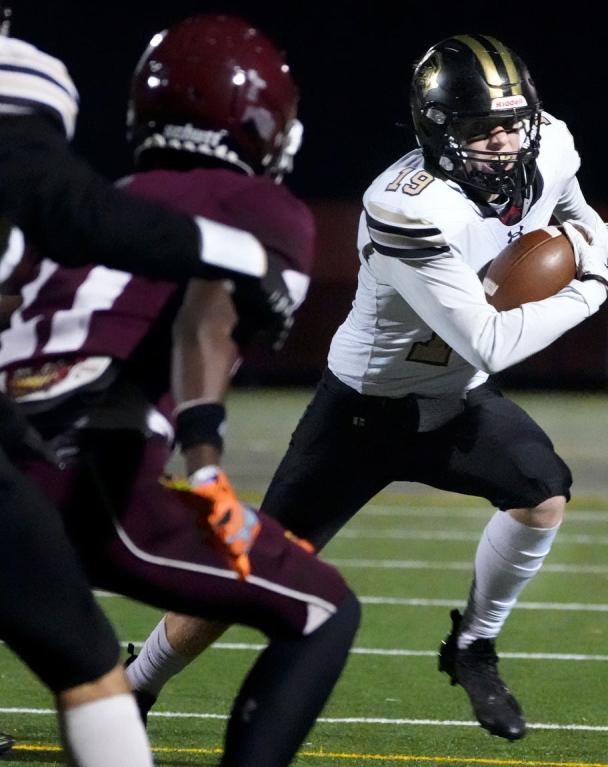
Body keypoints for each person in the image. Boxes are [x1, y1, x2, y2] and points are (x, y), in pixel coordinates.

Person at [127, 34, 608, 741]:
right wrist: (591, 277)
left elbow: (571, 203)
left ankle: (472, 644)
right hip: (364, 411)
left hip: (456, 399)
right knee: (251, 568)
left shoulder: (547, 142)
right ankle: (134, 683)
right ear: (438, 131)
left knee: (541, 492)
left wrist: (583, 233)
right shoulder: (408, 207)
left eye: (513, 123)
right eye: (482, 129)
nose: (505, 142)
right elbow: (488, 338)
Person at [0, 16, 360, 767]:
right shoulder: (262, 209)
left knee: (86, 669)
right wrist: (205, 458)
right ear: (262, 121)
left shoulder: (98, 202)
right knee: (324, 608)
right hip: (84, 467)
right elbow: (210, 309)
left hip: (9, 451)